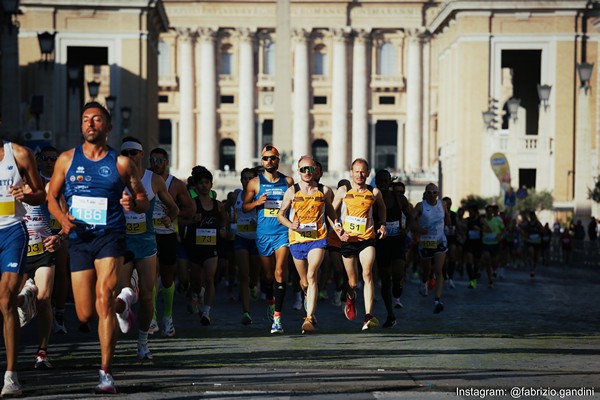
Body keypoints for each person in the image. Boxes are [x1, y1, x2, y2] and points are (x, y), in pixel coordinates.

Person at [47, 101, 149, 394]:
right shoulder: (67, 160)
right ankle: (124, 303)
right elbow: (51, 197)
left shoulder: (121, 163)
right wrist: (61, 219)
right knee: (84, 315)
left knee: (102, 297)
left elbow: (142, 200)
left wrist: (133, 203)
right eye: (85, 119)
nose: (90, 123)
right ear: (81, 126)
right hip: (80, 239)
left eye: (97, 119)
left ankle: (106, 373)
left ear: (108, 126)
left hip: (110, 236)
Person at [117, 137, 179, 360]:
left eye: (134, 152)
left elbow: (174, 207)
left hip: (146, 244)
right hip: (122, 245)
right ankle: (124, 312)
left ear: (141, 154)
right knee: (122, 294)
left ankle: (143, 342)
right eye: (125, 153)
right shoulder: (115, 178)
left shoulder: (153, 180)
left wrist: (168, 218)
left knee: (146, 296)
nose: (130, 156)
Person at [0, 137, 46, 396]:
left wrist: (27, 194)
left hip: (12, 232)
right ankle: (25, 300)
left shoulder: (18, 154)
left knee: (5, 301)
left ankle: (11, 377)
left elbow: (40, 194)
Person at [277, 156, 338, 334]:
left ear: (316, 171)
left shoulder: (325, 190)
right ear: (298, 171)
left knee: (312, 275)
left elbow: (331, 213)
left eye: (310, 169)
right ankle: (307, 297)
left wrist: (337, 226)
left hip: (318, 239)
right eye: (303, 169)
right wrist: (290, 224)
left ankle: (309, 317)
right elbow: (281, 215)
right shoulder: (292, 191)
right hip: (297, 240)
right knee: (304, 281)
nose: (307, 173)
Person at [242, 145, 293, 334]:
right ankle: (271, 300)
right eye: (265, 158)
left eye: (272, 158)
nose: (269, 161)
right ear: (261, 161)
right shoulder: (255, 183)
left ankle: (277, 318)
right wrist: (257, 202)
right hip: (263, 233)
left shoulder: (288, 181)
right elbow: (245, 207)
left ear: (278, 160)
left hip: (282, 232)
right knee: (268, 276)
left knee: (280, 271)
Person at [332, 158, 387, 331]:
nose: (360, 175)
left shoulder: (374, 192)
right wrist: (337, 227)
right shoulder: (343, 190)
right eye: (356, 171)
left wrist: (382, 224)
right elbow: (331, 211)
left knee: (368, 273)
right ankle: (350, 297)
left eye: (363, 171)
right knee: (353, 282)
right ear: (351, 173)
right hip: (348, 240)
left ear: (368, 173)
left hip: (366, 238)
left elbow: (382, 208)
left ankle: (368, 316)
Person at [147, 147, 196, 337]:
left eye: (160, 160)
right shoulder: (144, 181)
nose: (156, 164)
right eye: (153, 160)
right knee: (150, 276)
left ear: (166, 162)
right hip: (147, 235)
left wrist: (172, 215)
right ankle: (151, 317)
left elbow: (189, 209)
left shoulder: (175, 184)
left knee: (167, 278)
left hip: (167, 234)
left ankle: (167, 316)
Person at [20, 181, 64, 370]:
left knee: (44, 300)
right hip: (17, 253)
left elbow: (67, 220)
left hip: (42, 252)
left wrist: (59, 237)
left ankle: (42, 352)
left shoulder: (46, 189)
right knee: (11, 303)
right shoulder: (4, 188)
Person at [180, 166, 227, 326]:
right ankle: (196, 294)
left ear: (211, 185)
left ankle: (206, 311)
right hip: (194, 246)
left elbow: (224, 220)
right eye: (201, 183)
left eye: (207, 182)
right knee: (196, 281)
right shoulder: (191, 204)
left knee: (209, 278)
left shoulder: (218, 205)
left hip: (211, 247)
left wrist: (222, 229)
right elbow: (180, 221)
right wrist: (192, 221)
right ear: (196, 185)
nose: (204, 186)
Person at [38, 146, 70, 334]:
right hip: (38, 232)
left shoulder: (65, 180)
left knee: (61, 271)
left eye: (52, 159)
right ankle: (42, 308)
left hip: (59, 230)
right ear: (40, 160)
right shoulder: (35, 180)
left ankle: (60, 311)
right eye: (46, 158)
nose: (49, 162)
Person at [374, 170, 412, 328]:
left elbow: (410, 216)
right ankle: (390, 314)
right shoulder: (372, 199)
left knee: (397, 273)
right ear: (376, 182)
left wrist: (406, 229)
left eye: (386, 180)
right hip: (381, 242)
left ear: (390, 181)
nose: (383, 183)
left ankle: (398, 284)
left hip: (397, 240)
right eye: (380, 180)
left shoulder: (399, 198)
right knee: (384, 279)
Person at [413, 183, 450, 313]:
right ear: (425, 194)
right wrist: (419, 230)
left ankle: (437, 300)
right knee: (427, 270)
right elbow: (412, 221)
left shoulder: (442, 204)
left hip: (440, 240)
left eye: (434, 192)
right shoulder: (420, 206)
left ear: (438, 193)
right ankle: (424, 282)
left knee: (438, 270)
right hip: (426, 241)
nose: (432, 195)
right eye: (429, 192)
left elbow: (447, 216)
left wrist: (450, 225)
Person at [233, 168, 260, 325]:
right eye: (244, 178)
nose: (247, 181)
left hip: (257, 240)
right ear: (241, 180)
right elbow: (225, 212)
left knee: (253, 276)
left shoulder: (261, 197)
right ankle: (246, 312)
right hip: (240, 238)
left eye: (250, 178)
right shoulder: (235, 196)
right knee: (244, 274)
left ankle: (253, 286)